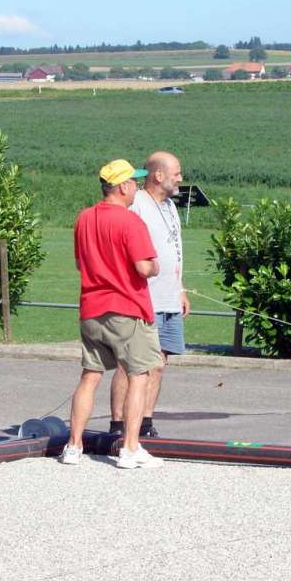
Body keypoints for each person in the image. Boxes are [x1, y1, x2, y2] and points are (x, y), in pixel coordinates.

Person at [59, 159, 164, 469]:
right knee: (139, 376)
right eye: (134, 182)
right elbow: (144, 267)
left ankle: (73, 445)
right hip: (127, 308)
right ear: (123, 186)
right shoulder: (130, 222)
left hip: (91, 310)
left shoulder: (84, 219)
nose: (137, 187)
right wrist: (156, 266)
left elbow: (81, 265)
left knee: (90, 377)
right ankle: (130, 448)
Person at [108, 152, 190, 438]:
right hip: (142, 299)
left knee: (158, 365)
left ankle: (145, 422)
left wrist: (180, 289)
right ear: (158, 175)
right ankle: (118, 424)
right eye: (177, 173)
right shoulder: (137, 205)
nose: (180, 178)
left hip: (169, 298)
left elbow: (175, 250)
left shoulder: (170, 206)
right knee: (130, 364)